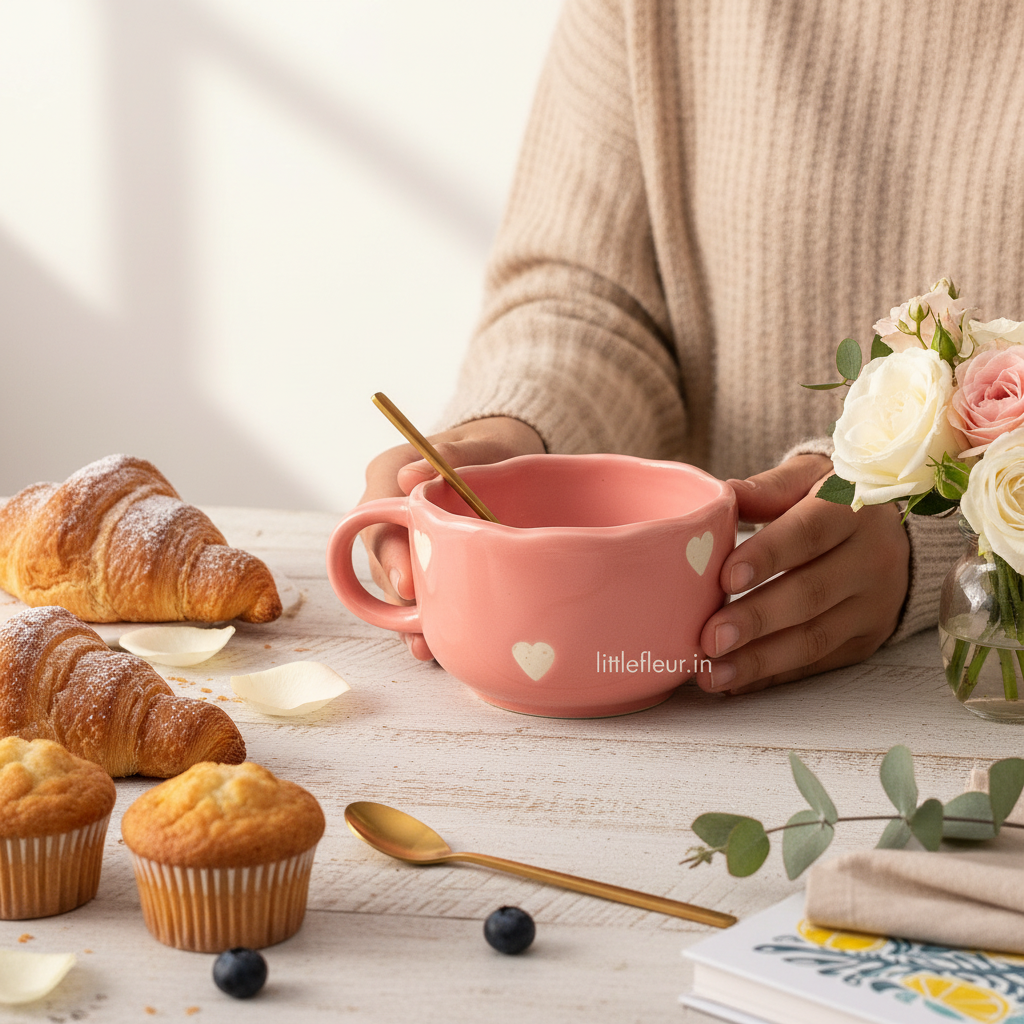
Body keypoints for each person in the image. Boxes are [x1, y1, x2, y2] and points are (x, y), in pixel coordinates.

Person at [359, 0, 1024, 693]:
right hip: (689, 696)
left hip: (972, 695)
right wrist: (517, 433)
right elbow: (588, 293)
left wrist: (937, 524)